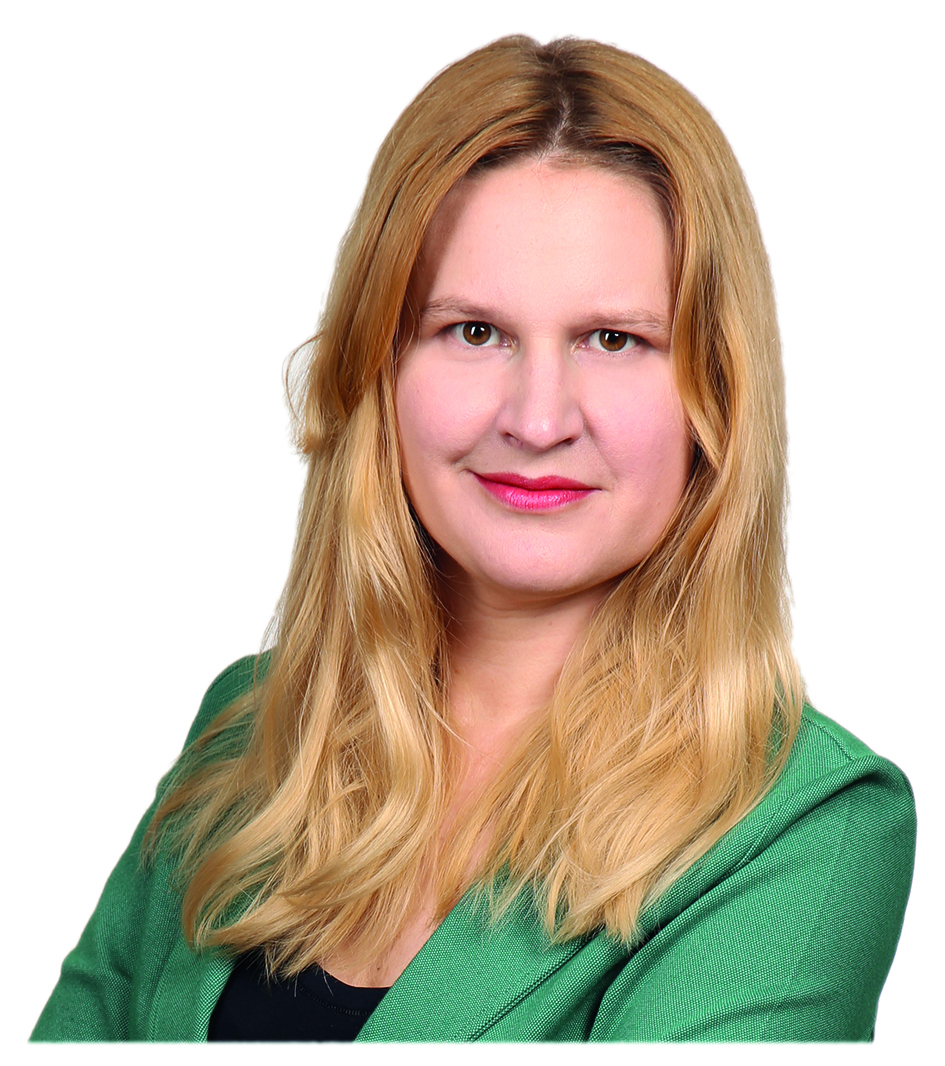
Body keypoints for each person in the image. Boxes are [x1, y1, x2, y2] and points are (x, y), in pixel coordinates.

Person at [31, 35, 915, 1042]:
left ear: (712, 392)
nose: (537, 420)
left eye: (613, 339)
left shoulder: (803, 829)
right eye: (474, 331)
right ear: (379, 368)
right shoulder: (247, 731)